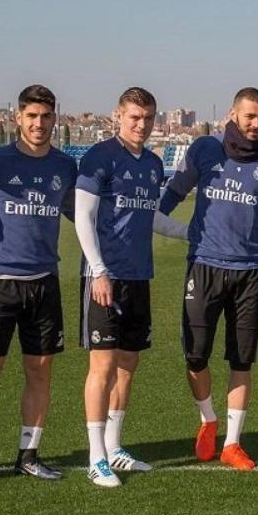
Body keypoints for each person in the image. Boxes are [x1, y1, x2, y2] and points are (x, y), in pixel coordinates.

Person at [157, 87, 258, 471]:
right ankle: (208, 418)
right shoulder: (204, 150)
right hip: (204, 265)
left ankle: (232, 443)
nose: (255, 124)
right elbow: (174, 193)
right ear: (233, 115)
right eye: (249, 116)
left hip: (250, 272)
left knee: (242, 359)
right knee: (195, 355)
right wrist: (146, 217)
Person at [0, 85, 77, 490]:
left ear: (54, 119)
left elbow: (82, 214)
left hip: (44, 283)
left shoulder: (65, 167)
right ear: (17, 118)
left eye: (45, 117)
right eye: (31, 116)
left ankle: (28, 455)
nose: (38, 124)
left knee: (40, 374)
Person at [74, 87, 188, 487]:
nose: (142, 125)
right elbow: (82, 218)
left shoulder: (154, 164)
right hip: (104, 277)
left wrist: (190, 233)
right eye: (135, 117)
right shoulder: (99, 157)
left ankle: (114, 446)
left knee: (128, 364)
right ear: (117, 116)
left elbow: (151, 216)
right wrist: (99, 271)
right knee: (102, 366)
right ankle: (95, 457)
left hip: (139, 276)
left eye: (149, 118)